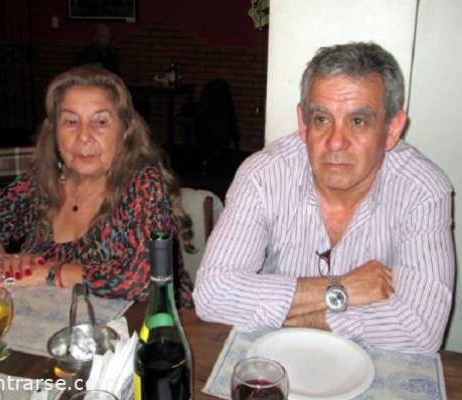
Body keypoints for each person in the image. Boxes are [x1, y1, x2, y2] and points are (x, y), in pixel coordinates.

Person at [193, 42, 455, 352]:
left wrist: (294, 314)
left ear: (392, 129)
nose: (336, 142)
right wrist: (340, 289)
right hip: (276, 361)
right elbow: (213, 294)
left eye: (357, 121)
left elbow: (421, 329)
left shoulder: (423, 190)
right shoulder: (263, 174)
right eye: (322, 119)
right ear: (303, 124)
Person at [0, 65, 194, 307]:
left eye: (101, 122)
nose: (84, 136)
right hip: (55, 317)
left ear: (125, 131)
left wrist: (50, 272)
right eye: (71, 122)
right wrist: (4, 263)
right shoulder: (40, 181)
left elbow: (145, 279)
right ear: (55, 131)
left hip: (148, 323)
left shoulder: (143, 184)